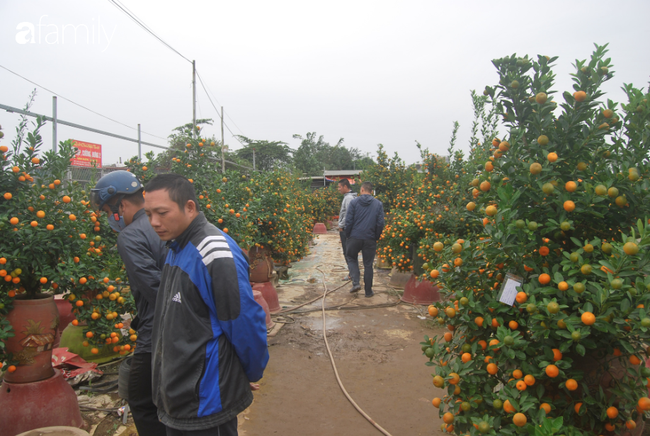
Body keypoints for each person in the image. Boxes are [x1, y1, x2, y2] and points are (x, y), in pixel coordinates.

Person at [143, 173, 269, 436]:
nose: (154, 222)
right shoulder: (176, 246)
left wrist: (249, 372)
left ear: (189, 207)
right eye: (149, 214)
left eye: (162, 212)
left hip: (206, 401)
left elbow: (243, 322)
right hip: (180, 394)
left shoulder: (213, 252)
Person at [90, 170, 168, 436]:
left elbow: (156, 289)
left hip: (156, 329)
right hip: (176, 323)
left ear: (121, 205)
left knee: (140, 399)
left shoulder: (130, 235)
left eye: (106, 211)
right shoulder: (162, 223)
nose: (107, 218)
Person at [344, 181, 385, 298]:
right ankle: (368, 291)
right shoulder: (378, 204)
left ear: (362, 190)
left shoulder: (354, 202)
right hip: (370, 238)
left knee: (351, 258)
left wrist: (348, 235)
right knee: (368, 264)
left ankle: (356, 283)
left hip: (354, 237)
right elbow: (380, 223)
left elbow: (349, 221)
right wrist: (375, 236)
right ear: (371, 192)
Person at [336, 179, 357, 282]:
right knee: (349, 252)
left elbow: (348, 215)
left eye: (340, 187)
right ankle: (352, 273)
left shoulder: (348, 198)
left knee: (348, 253)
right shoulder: (349, 197)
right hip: (347, 229)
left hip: (346, 230)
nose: (339, 189)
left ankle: (352, 274)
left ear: (345, 187)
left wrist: (342, 226)